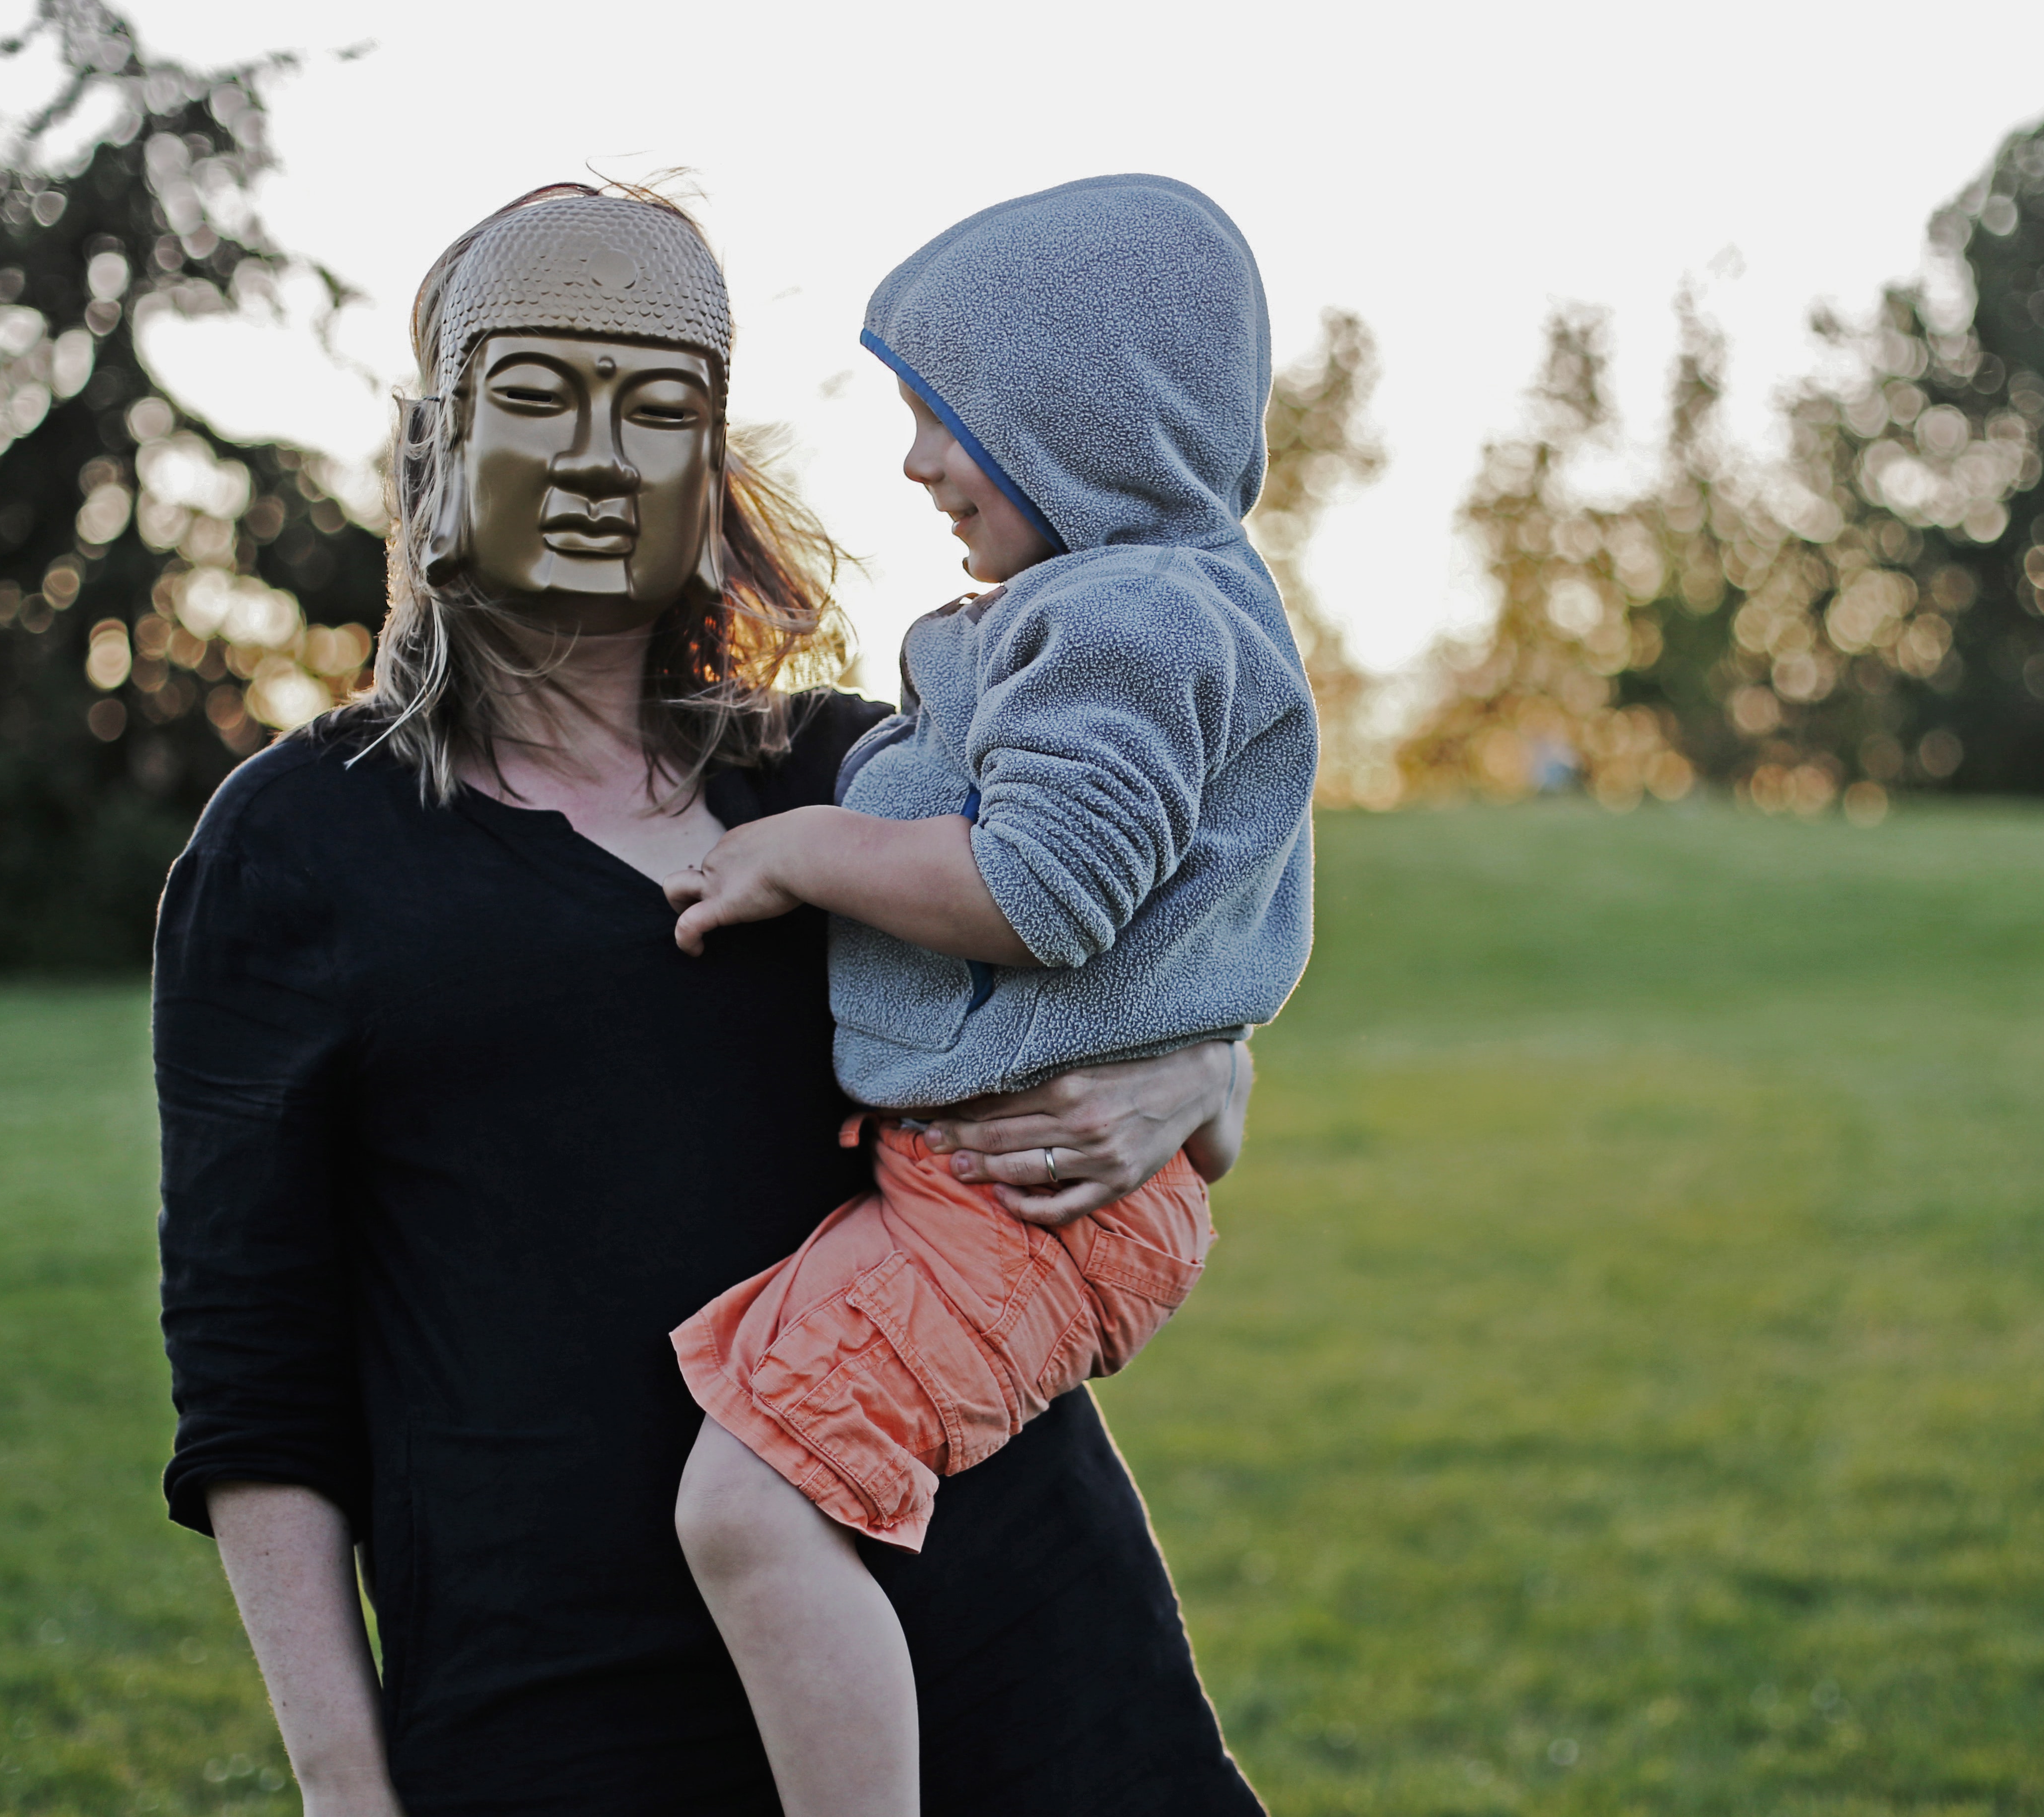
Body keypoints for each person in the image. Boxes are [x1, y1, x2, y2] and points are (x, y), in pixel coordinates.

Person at [154, 184, 1266, 1817]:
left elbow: (1145, 943)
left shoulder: (858, 773)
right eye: (540, 396)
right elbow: (257, 1377)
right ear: (439, 437)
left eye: (662, 411)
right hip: (570, 1713)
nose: (602, 458)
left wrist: (1210, 1075)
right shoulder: (300, 843)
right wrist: (345, 1787)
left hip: (1028, 1669)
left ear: (715, 465)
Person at [663, 174, 1314, 1817]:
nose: (915, 464)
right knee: (762, 1469)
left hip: (1021, 1203)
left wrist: (807, 848)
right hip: (1007, 1191)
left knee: (752, 1509)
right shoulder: (1126, 611)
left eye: (946, 418)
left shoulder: (1135, 620)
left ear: (1084, 423)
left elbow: (1042, 888)